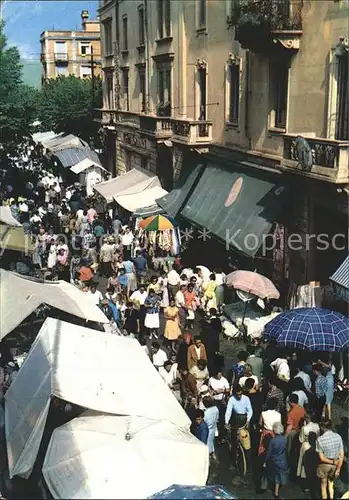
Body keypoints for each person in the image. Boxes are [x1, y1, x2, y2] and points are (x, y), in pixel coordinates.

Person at [316, 420, 345, 500]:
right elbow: (341, 455)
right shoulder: (338, 436)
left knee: (323, 486)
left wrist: (332, 461)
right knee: (331, 484)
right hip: (335, 466)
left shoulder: (320, 439)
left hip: (324, 465)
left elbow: (322, 458)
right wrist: (338, 468)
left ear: (322, 427)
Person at [265, 422, 289, 500]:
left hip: (274, 460)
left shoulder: (273, 441)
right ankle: (277, 492)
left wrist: (265, 460)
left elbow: (269, 453)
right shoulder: (284, 439)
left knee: (275, 477)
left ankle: (275, 493)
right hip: (282, 460)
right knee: (280, 477)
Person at [297, 413, 320, 479]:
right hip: (315, 444)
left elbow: (301, 440)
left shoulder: (304, 428)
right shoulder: (317, 426)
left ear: (306, 418)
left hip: (306, 444)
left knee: (303, 460)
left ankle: (303, 474)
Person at [208, 370, 230, 439]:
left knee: (221, 417)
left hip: (221, 400)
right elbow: (209, 387)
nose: (219, 376)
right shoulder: (211, 379)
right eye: (218, 375)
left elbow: (228, 389)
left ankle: (222, 434)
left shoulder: (224, 380)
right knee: (214, 417)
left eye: (220, 375)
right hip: (214, 400)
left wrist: (221, 390)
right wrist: (212, 392)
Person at [318, 355, 335, 421]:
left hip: (326, 383)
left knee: (324, 400)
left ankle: (323, 414)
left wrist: (320, 362)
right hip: (330, 383)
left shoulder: (325, 369)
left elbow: (328, 367)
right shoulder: (331, 368)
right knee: (329, 401)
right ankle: (329, 417)